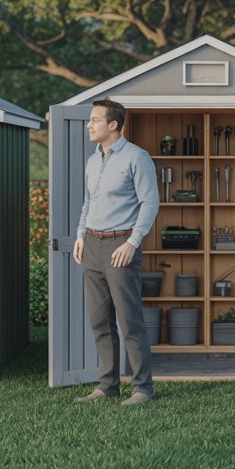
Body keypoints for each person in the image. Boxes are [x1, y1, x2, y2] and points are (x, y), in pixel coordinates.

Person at [72, 99, 160, 405]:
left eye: (95, 120)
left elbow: (150, 203)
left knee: (129, 321)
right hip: (92, 245)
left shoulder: (137, 157)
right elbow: (88, 202)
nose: (89, 125)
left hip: (120, 246)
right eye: (89, 120)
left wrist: (132, 242)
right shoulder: (92, 160)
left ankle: (143, 388)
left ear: (113, 125)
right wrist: (81, 235)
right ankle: (108, 386)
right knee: (99, 321)